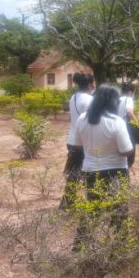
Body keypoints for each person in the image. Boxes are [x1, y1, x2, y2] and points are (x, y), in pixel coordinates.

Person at [73, 84, 133, 224]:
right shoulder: (116, 121)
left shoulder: (82, 118)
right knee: (119, 212)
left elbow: (77, 145)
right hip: (116, 171)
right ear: (113, 102)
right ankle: (119, 243)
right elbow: (126, 151)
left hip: (91, 171)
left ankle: (81, 243)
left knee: (93, 210)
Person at [60, 72, 94, 209]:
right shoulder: (90, 100)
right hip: (84, 142)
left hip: (73, 139)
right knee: (90, 173)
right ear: (90, 84)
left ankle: (67, 203)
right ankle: (91, 203)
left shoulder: (73, 97)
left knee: (74, 174)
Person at [118, 82, 139, 169]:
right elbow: (129, 111)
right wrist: (138, 123)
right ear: (130, 92)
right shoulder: (128, 99)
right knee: (130, 149)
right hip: (126, 127)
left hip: (117, 127)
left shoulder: (117, 99)